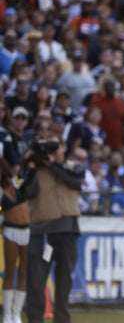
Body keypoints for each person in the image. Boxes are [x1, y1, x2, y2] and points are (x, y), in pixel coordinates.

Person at [19, 136, 85, 323]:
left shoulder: (74, 167)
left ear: (63, 148)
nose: (50, 151)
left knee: (65, 280)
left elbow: (75, 182)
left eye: (54, 147)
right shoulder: (34, 170)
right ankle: (35, 318)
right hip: (42, 233)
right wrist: (29, 165)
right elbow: (26, 192)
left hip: (68, 231)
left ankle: (62, 318)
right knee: (36, 279)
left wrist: (52, 165)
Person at [0, 157, 28, 323]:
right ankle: (8, 314)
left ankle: (17, 313)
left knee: (23, 273)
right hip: (11, 230)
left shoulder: (16, 182)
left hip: (27, 230)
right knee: (10, 273)